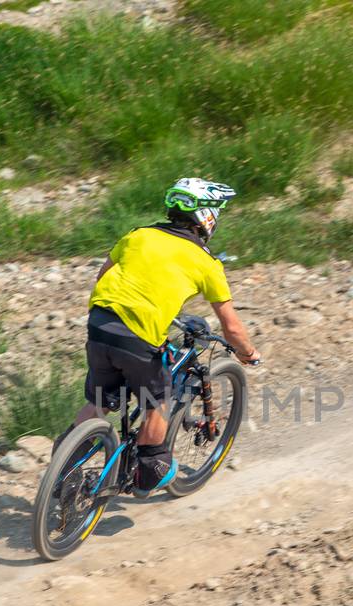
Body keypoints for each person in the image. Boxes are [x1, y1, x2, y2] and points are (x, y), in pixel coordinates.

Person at [75, 178, 262, 493]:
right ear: (206, 217)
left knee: (100, 401)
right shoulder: (206, 262)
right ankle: (150, 468)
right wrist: (248, 353)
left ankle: (66, 464)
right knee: (159, 400)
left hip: (99, 323)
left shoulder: (137, 235)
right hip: (137, 335)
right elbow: (231, 328)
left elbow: (103, 276)